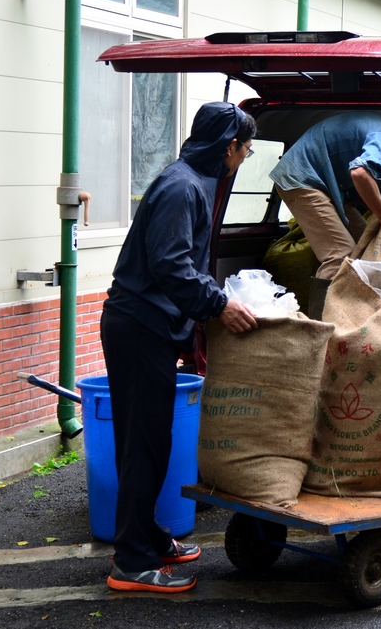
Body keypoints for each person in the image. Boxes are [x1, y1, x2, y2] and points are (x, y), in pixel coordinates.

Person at [100, 102, 259, 593]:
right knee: (142, 445)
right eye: (246, 149)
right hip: (138, 327)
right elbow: (171, 265)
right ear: (230, 147)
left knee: (150, 441)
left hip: (147, 327)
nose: (245, 156)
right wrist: (217, 306)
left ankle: (147, 536)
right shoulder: (182, 187)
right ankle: (131, 562)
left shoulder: (189, 181)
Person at [269, 111, 381, 280]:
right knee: (340, 254)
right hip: (303, 178)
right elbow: (360, 173)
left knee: (366, 242)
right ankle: (328, 314)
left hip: (330, 185)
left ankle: (363, 304)